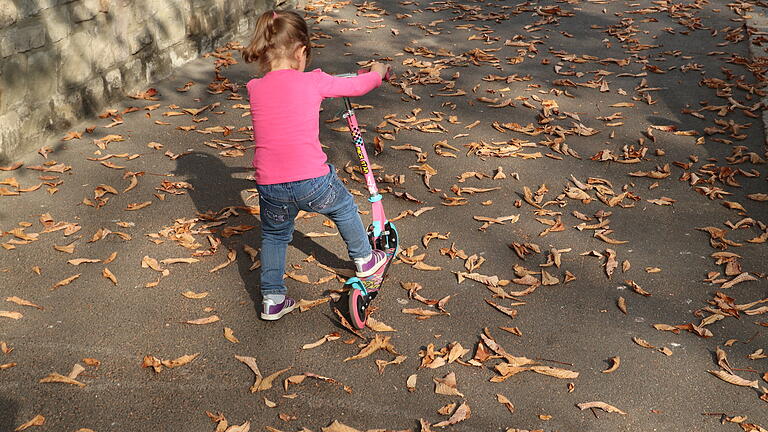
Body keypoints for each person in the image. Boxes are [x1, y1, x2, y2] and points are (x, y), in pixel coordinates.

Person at [242, 9, 391, 321]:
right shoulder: (314, 81)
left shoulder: (255, 88)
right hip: (313, 181)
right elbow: (358, 87)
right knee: (343, 207)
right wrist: (377, 72)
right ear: (301, 51)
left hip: (270, 186)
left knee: (274, 235)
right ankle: (365, 259)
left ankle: (272, 298)